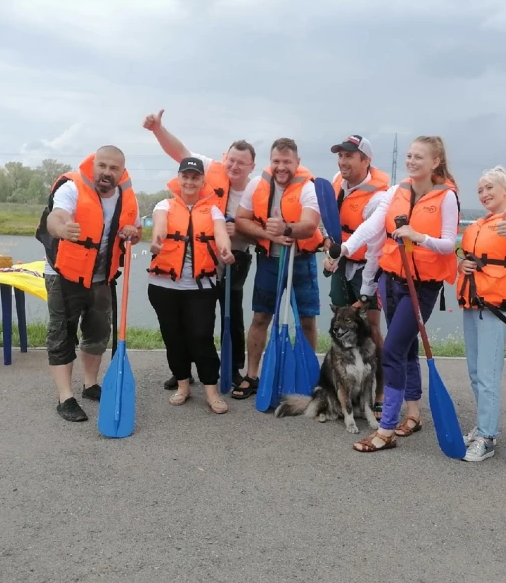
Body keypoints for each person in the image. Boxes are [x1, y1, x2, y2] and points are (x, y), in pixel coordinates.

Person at [332, 135, 459, 452]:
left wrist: (419, 237)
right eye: (410, 156)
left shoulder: (447, 198)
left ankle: (386, 429)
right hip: (392, 281)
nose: (412, 161)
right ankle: (413, 415)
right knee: (406, 348)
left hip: (423, 286)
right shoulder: (396, 192)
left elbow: (447, 243)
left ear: (435, 162)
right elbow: (373, 226)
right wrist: (345, 248)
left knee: (391, 351)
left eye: (419, 157)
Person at [142, 109, 256, 391]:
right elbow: (178, 150)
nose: (235, 167)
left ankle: (232, 370)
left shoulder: (256, 191)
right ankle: (184, 371)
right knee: (193, 323)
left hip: (233, 259)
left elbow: (261, 233)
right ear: (223, 157)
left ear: (251, 166)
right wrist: (158, 129)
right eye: (231, 160)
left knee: (232, 317)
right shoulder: (206, 167)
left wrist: (238, 232)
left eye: (242, 163)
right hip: (194, 263)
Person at [35, 146, 141, 422]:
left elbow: (135, 231)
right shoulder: (71, 188)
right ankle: (65, 396)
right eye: (102, 166)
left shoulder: (126, 197)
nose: (106, 172)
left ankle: (90, 384)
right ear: (93, 165)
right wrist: (62, 229)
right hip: (63, 273)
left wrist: (132, 233)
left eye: (113, 168)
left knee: (97, 331)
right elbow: (55, 218)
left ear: (121, 171)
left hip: (100, 277)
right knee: (62, 333)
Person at [232, 138, 322, 400]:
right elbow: (240, 219)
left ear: (297, 162)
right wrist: (268, 235)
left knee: (306, 320)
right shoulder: (257, 185)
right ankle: (252, 374)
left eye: (287, 162)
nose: (281, 167)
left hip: (301, 261)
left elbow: (310, 225)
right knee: (261, 318)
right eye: (276, 162)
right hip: (269, 261)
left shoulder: (308, 187)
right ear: (270, 162)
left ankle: (308, 374)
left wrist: (286, 229)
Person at [147, 157, 236, 413]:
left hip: (201, 286)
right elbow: (160, 226)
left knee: (201, 336)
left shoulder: (213, 210)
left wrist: (226, 252)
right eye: (185, 176)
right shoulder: (164, 204)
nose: (189, 181)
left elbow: (220, 234)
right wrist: (157, 242)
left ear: (202, 181)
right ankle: (183, 385)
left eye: (195, 177)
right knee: (173, 337)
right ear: (178, 179)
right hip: (164, 285)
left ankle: (211, 389)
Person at [456, 166, 506, 461]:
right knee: (475, 373)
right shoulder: (482, 223)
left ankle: (487, 438)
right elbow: (469, 255)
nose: (485, 194)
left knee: (488, 375)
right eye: (480, 190)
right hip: (473, 301)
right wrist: (463, 266)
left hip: (495, 306)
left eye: (490, 189)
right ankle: (482, 426)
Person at [322, 135, 390, 415]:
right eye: (340, 155)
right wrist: (329, 248)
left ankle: (381, 391)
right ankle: (344, 388)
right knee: (340, 322)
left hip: (366, 266)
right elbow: (327, 224)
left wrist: (368, 282)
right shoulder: (336, 181)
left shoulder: (379, 195)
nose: (343, 161)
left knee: (371, 329)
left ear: (365, 160)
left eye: (350, 156)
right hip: (341, 264)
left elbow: (374, 238)